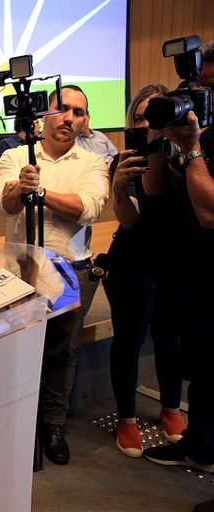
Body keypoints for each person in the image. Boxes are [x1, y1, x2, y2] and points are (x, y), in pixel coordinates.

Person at [0, 85, 109, 465]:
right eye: (63, 109)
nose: (70, 118)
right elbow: (4, 206)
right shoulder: (15, 155)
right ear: (45, 114)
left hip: (71, 270)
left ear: (85, 121)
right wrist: (21, 190)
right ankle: (18, 424)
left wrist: (40, 192)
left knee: (62, 351)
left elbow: (88, 209)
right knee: (19, 349)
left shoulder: (93, 162)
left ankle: (53, 425)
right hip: (21, 270)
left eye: (79, 112)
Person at [144, 40, 214, 498]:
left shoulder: (200, 144)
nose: (200, 97)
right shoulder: (201, 135)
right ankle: (200, 444)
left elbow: (209, 213)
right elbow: (162, 190)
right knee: (203, 370)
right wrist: (159, 142)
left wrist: (190, 149)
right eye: (196, 86)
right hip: (193, 271)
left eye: (206, 87)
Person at [102, 84, 185, 458]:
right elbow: (131, 220)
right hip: (133, 260)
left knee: (171, 337)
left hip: (175, 260)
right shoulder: (124, 161)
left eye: (155, 117)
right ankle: (127, 419)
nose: (147, 125)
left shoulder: (186, 159)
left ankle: (171, 408)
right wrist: (119, 188)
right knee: (129, 339)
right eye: (140, 118)